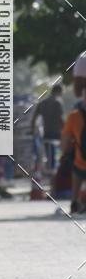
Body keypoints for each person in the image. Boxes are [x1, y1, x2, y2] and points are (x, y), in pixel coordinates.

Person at [60, 82, 86, 215]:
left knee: (77, 172)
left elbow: (65, 140)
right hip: (80, 160)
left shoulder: (74, 116)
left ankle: (75, 202)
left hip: (80, 161)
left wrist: (64, 154)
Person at [31, 83, 64, 172]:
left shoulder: (42, 102)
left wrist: (32, 130)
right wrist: (66, 131)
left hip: (46, 133)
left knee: (49, 153)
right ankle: (54, 172)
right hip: (57, 133)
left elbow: (34, 118)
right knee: (56, 153)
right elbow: (61, 119)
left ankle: (50, 170)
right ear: (58, 91)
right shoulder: (58, 102)